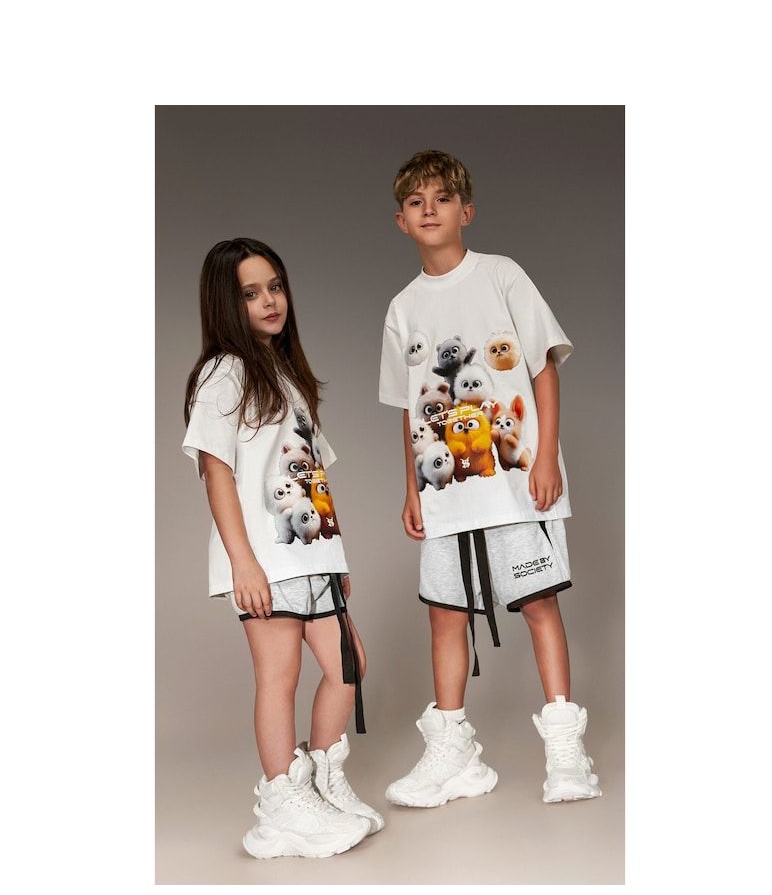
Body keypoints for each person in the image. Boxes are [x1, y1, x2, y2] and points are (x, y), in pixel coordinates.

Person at [379, 150, 602, 807]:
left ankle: (565, 752)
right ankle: (453, 754)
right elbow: (410, 406)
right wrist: (412, 487)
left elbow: (543, 368)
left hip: (515, 483)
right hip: (446, 492)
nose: (429, 209)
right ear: (401, 221)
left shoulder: (501, 275)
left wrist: (546, 456)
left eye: (442, 198)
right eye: (416, 201)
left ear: (466, 211)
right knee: (446, 616)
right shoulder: (401, 308)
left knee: (539, 605)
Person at [183, 237, 383, 858]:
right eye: (251, 293)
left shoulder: (285, 374)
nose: (270, 301)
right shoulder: (224, 374)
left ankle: (318, 781)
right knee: (280, 675)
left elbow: (311, 475)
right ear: (227, 304)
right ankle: (281, 803)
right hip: (266, 558)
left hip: (311, 553)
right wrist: (242, 562)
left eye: (275, 286)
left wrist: (333, 554)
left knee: (348, 665)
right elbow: (216, 473)